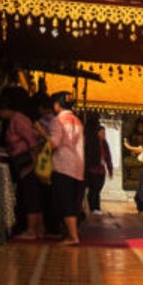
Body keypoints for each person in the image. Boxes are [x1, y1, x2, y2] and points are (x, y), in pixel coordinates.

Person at [0, 91, 54, 242]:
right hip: (26, 164)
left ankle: (32, 229)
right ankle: (38, 228)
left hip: (28, 164)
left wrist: (33, 160)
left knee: (31, 197)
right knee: (34, 196)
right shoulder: (18, 119)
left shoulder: (19, 120)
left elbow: (32, 142)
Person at [47, 97, 91, 246]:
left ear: (57, 105)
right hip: (78, 166)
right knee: (73, 202)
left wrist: (41, 133)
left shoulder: (57, 120)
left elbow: (54, 143)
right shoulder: (77, 121)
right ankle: (71, 233)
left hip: (63, 164)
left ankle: (72, 236)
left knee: (64, 201)